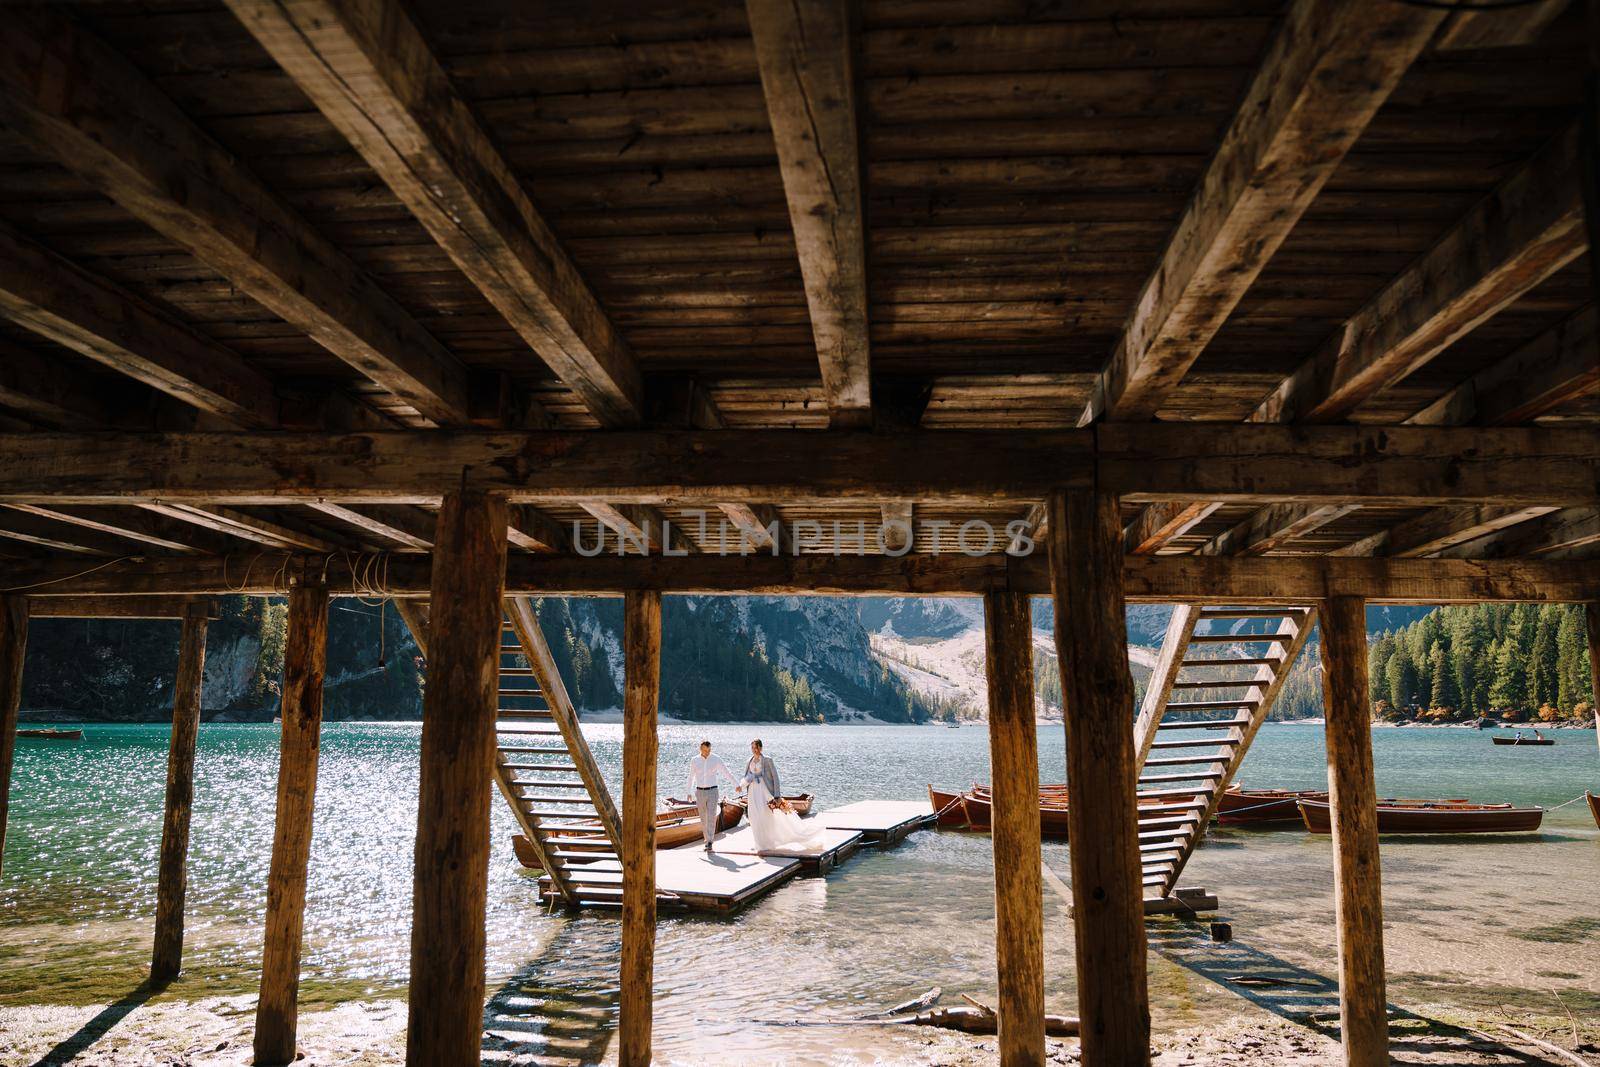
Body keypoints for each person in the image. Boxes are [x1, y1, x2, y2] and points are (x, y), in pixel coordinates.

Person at [739, 739, 826, 852]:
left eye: (756, 748)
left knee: (765, 816)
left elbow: (775, 777)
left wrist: (777, 795)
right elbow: (748, 776)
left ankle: (768, 843)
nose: (754, 750)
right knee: (754, 816)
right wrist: (740, 786)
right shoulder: (749, 761)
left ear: (761, 748)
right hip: (752, 793)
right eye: (752, 748)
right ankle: (759, 844)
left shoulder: (767, 760)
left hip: (765, 792)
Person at [687, 740, 736, 851]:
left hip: (713, 791)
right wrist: (688, 792)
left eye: (709, 750)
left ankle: (709, 841)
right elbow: (691, 777)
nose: (707, 752)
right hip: (700, 792)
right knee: (703, 818)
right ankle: (707, 839)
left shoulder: (716, 759)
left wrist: (736, 784)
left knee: (711, 817)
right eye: (705, 750)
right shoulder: (694, 760)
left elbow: (726, 772)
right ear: (701, 749)